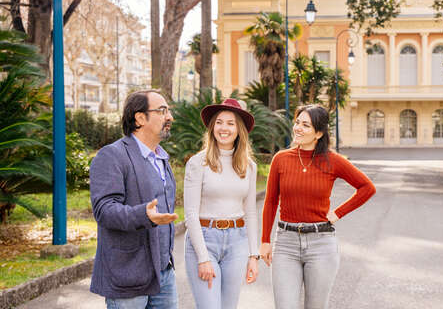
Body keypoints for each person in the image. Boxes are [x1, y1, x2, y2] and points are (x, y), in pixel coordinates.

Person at [260, 104, 376, 309]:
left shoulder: (333, 161)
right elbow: (270, 201)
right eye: (297, 122)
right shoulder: (281, 159)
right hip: (286, 243)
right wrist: (265, 240)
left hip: (321, 244)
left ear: (319, 133)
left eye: (305, 125)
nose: (298, 128)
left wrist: (338, 213)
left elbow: (367, 187)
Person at [90, 90, 179, 309]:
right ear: (140, 118)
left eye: (168, 111)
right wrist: (143, 215)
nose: (170, 117)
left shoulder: (161, 157)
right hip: (128, 275)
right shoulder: (112, 155)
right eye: (162, 111)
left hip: (164, 274)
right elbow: (104, 209)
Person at [183, 98, 260, 309]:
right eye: (219, 122)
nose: (223, 128)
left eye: (230, 123)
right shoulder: (198, 163)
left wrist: (253, 255)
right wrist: (203, 257)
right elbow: (190, 213)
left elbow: (251, 213)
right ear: (212, 127)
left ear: (239, 130)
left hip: (237, 242)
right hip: (205, 240)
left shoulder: (249, 166)